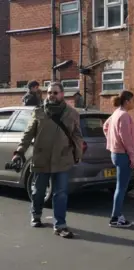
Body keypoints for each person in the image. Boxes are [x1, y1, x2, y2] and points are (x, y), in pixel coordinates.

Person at [12, 82, 83, 238]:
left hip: (62, 158)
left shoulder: (72, 113)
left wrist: (77, 153)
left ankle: (60, 225)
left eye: (55, 92)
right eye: (49, 92)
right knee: (38, 191)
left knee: (61, 193)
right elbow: (28, 134)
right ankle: (36, 214)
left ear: (62, 94)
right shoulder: (39, 112)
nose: (51, 95)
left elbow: (77, 135)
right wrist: (19, 151)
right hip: (42, 157)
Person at [103, 90, 134, 228]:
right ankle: (115, 217)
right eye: (133, 100)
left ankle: (116, 216)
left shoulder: (116, 113)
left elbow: (105, 127)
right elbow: (126, 138)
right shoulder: (123, 115)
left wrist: (112, 141)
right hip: (123, 155)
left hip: (116, 153)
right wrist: (132, 156)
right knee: (121, 187)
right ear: (127, 101)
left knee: (120, 186)